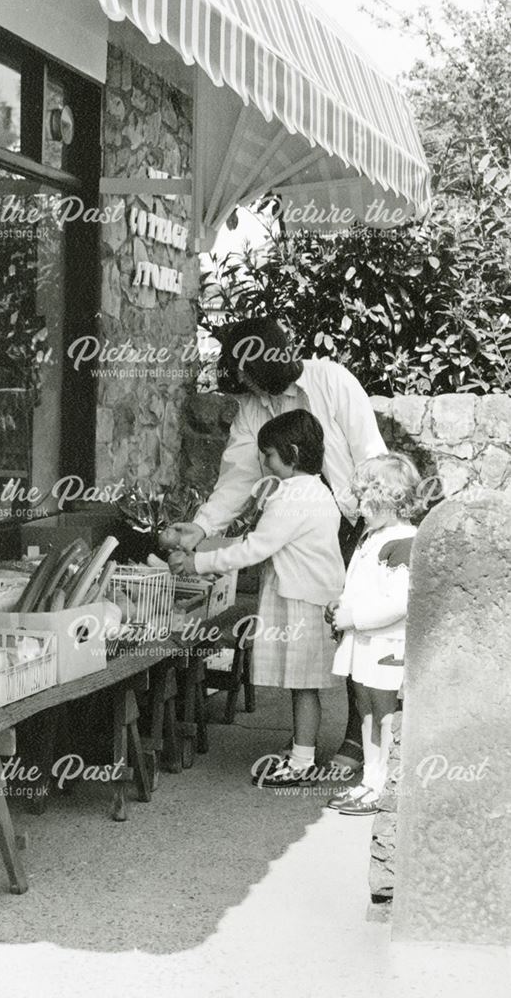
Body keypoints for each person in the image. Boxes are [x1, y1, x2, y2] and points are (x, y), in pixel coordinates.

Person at [162, 316, 387, 774]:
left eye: (245, 369)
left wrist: (383, 530)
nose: (240, 380)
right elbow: (239, 475)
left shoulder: (332, 382)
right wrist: (201, 527)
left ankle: (357, 739)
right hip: (301, 531)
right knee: (318, 648)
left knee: (356, 633)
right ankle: (307, 743)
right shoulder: (252, 406)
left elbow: (371, 455)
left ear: (265, 360)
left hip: (355, 520)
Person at [169, 409, 345, 787]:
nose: (262, 462)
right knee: (303, 683)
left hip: (303, 599)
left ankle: (302, 762)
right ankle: (302, 748)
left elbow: (254, 549)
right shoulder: (317, 490)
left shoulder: (291, 498)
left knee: (304, 684)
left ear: (292, 453)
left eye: (267, 455)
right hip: (311, 595)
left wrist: (197, 562)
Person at [325, 453, 421, 815]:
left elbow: (398, 603)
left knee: (383, 714)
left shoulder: (404, 541)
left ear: (389, 499)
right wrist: (340, 606)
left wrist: (353, 617)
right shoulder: (374, 535)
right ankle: (370, 779)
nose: (361, 506)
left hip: (385, 643)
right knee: (366, 710)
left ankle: (381, 784)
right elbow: (363, 585)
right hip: (365, 640)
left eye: (367, 498)